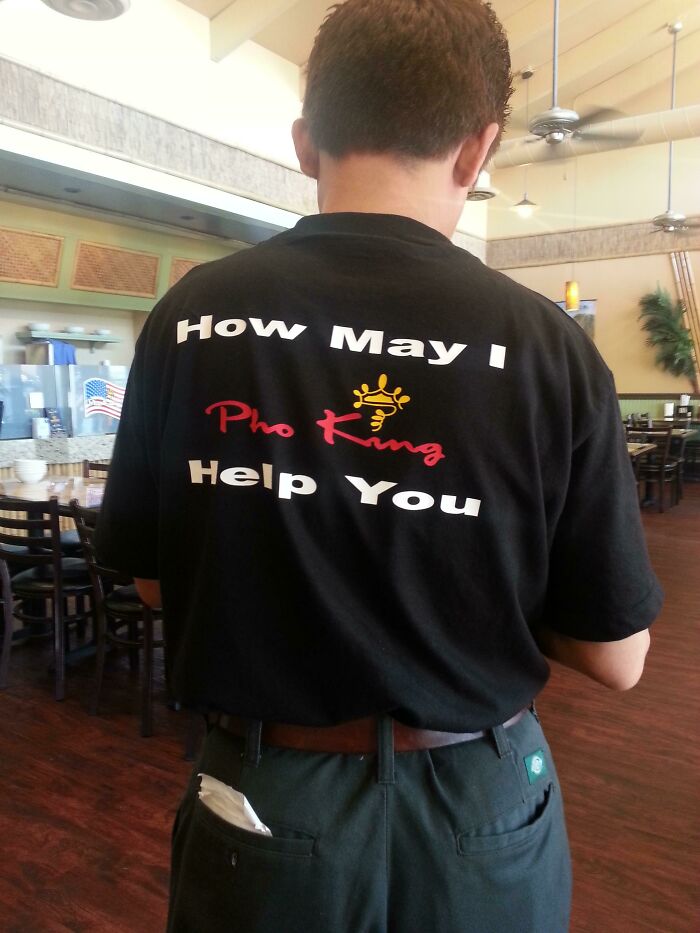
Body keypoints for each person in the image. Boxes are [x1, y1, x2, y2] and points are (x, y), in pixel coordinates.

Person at [95, 1, 662, 930]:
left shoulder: (191, 317)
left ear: (306, 141)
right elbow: (618, 658)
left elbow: (156, 583)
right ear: (478, 154)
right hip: (479, 801)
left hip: (263, 793)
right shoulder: (549, 348)